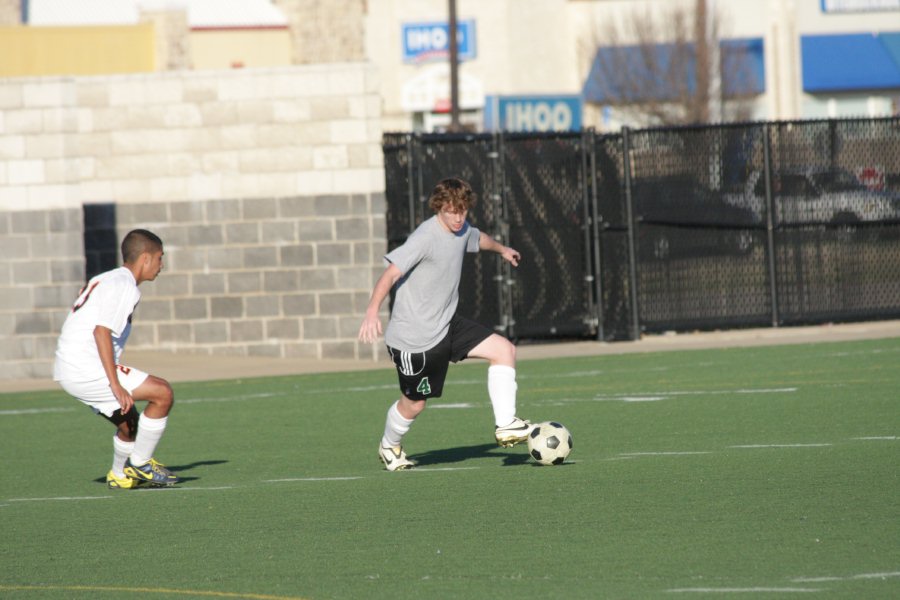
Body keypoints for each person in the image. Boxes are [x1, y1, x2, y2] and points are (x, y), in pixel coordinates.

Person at [358, 177, 532, 471]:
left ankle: (506, 424)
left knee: (504, 350)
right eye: (452, 211)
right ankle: (389, 445)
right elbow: (390, 274)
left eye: (462, 211)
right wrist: (372, 311)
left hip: (447, 323)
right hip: (414, 339)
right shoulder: (425, 237)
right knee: (415, 404)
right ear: (439, 207)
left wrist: (502, 249)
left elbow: (477, 238)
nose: (458, 217)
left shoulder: (462, 228)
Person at [54, 229, 179, 489]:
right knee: (162, 392)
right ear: (145, 258)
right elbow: (101, 331)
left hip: (69, 367)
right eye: (159, 258)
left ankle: (119, 475)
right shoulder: (124, 286)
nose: (162, 265)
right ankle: (141, 464)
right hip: (85, 367)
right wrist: (115, 383)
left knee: (129, 424)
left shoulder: (108, 279)